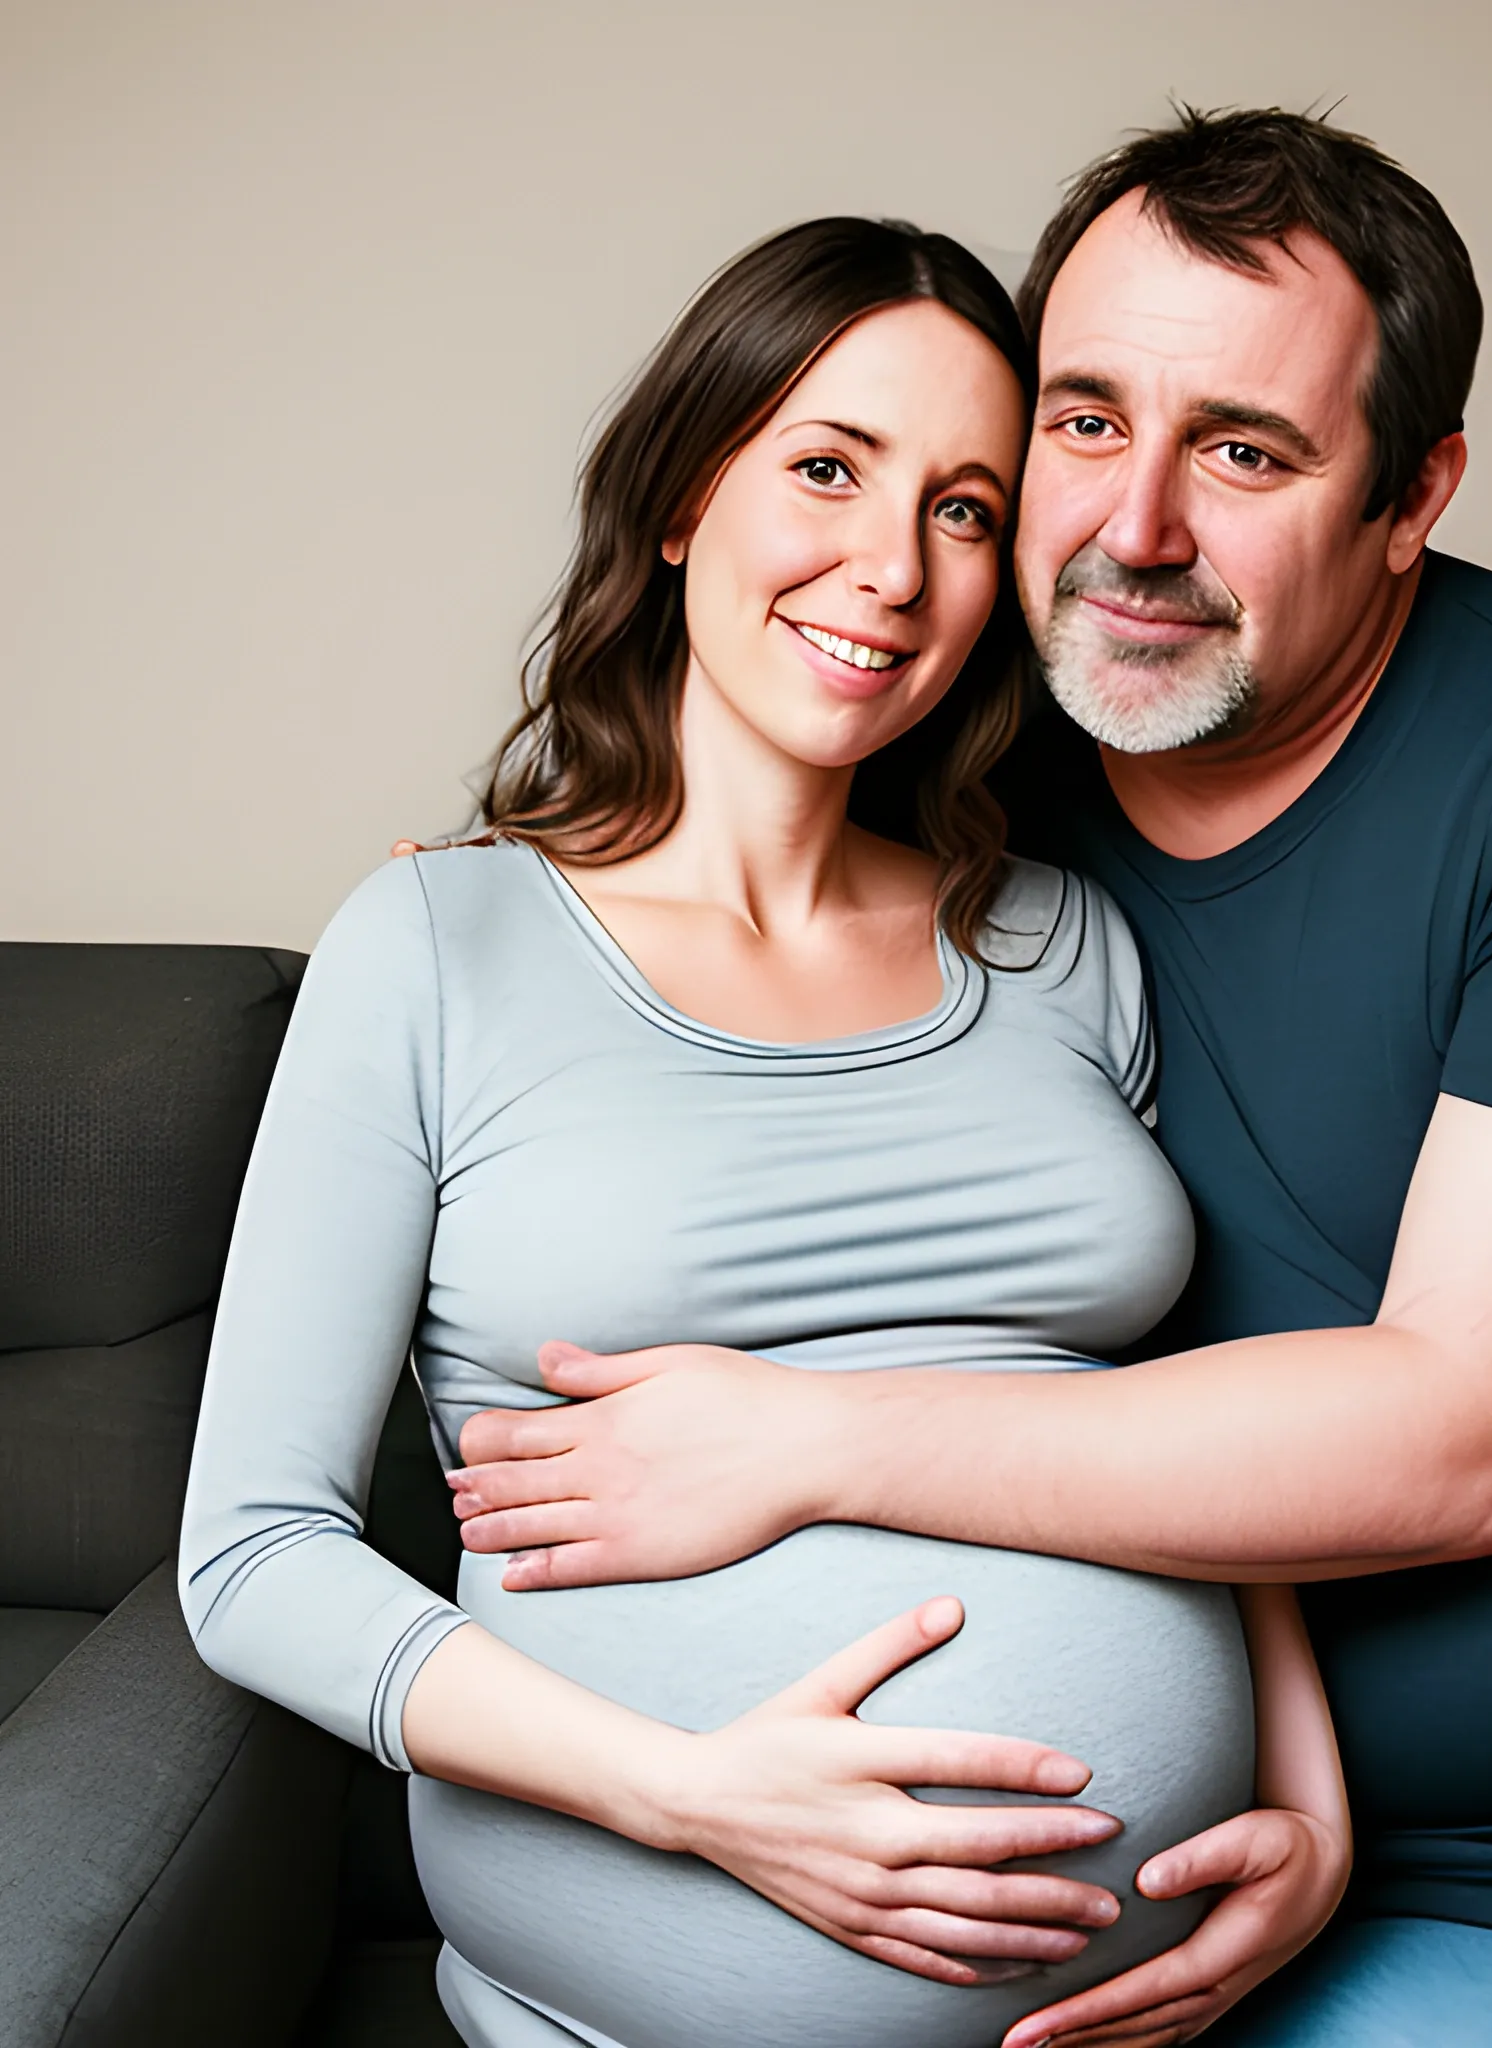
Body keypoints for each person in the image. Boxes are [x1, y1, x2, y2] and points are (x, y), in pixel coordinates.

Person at [440, 113, 1492, 2045]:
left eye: (1247, 451)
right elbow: (634, 938)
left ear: (1413, 493)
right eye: (1088, 419)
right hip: (1392, 1917)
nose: (1134, 530)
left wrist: (814, 1432)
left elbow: (1467, 1432)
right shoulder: (937, 761)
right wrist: (484, 882)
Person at [181, 218, 1353, 2048]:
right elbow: (251, 1554)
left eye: (966, 510)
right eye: (827, 468)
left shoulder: (1065, 941)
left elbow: (1195, 1409)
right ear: (677, 499)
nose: (888, 569)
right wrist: (691, 1793)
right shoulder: (439, 942)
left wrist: (1307, 1798)